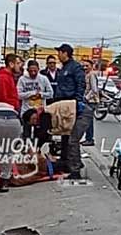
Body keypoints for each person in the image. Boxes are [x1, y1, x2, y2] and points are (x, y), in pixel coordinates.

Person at [51, 43, 91, 179]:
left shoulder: (75, 67)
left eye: (59, 53)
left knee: (72, 139)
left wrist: (77, 101)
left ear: (65, 53)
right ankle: (68, 162)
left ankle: (75, 169)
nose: (58, 55)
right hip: (64, 106)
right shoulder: (63, 68)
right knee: (65, 136)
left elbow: (81, 84)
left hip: (73, 106)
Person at [18, 58, 53, 140]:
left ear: (38, 69)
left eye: (35, 71)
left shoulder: (44, 79)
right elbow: (18, 95)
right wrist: (31, 94)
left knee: (40, 134)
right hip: (27, 110)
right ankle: (27, 148)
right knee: (26, 133)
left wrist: (40, 94)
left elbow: (51, 94)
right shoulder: (22, 79)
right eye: (31, 71)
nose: (33, 73)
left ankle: (37, 149)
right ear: (27, 70)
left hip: (40, 110)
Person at [82, 60, 101, 146]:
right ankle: (88, 138)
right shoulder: (86, 75)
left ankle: (90, 139)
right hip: (88, 100)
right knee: (87, 120)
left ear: (92, 66)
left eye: (87, 66)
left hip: (91, 101)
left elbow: (94, 89)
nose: (85, 67)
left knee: (88, 121)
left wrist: (86, 97)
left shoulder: (92, 75)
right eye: (84, 66)